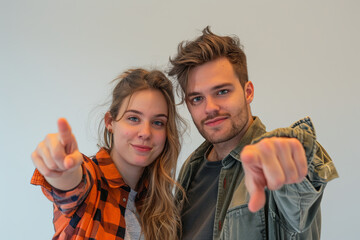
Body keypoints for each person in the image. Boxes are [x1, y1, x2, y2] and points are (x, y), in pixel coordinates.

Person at [169, 26, 338, 240]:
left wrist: (295, 152)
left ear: (248, 92)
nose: (209, 107)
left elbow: (298, 203)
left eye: (222, 91)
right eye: (197, 98)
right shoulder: (192, 167)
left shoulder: (271, 161)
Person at [31, 69, 184, 240]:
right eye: (133, 118)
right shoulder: (91, 180)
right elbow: (73, 184)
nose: (145, 132)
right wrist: (62, 170)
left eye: (157, 122)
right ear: (110, 122)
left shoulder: (161, 203)